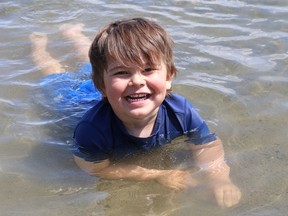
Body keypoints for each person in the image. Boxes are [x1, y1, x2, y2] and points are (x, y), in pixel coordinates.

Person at [30, 18, 241, 208]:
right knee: (56, 75)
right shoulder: (91, 130)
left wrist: (219, 178)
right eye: (122, 72)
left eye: (148, 69)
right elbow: (96, 169)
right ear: (101, 86)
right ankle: (38, 46)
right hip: (74, 102)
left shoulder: (180, 111)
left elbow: (208, 145)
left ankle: (73, 33)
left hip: (106, 91)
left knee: (88, 64)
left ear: (169, 77)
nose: (138, 81)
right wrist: (156, 174)